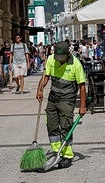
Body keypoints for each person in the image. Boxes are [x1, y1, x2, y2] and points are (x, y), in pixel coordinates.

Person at [36, 41, 87, 169]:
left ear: (67, 54)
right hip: (53, 98)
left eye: (61, 58)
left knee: (65, 126)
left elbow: (82, 87)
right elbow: (46, 77)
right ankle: (57, 152)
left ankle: (67, 155)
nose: (58, 60)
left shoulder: (76, 64)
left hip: (67, 99)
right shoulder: (51, 59)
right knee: (51, 124)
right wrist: (40, 89)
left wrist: (82, 105)